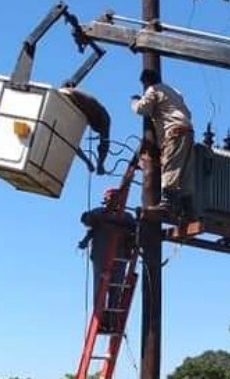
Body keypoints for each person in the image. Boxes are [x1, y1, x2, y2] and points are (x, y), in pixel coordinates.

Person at [130, 69, 194, 213]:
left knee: (170, 166)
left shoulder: (153, 89)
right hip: (188, 130)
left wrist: (135, 101)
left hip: (174, 131)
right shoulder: (174, 91)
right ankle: (188, 209)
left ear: (146, 82)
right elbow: (187, 112)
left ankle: (167, 204)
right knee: (185, 171)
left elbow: (142, 109)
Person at [78, 187, 137, 333]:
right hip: (101, 256)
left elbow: (136, 230)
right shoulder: (99, 213)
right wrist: (89, 218)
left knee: (115, 290)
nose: (112, 202)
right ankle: (100, 321)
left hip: (119, 257)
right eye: (110, 199)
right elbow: (86, 222)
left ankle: (111, 321)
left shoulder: (126, 217)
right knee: (100, 290)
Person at [60, 85, 112, 176]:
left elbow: (73, 143)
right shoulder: (104, 119)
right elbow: (104, 144)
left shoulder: (84, 112)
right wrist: (100, 164)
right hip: (66, 96)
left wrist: (87, 161)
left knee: (68, 135)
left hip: (63, 96)